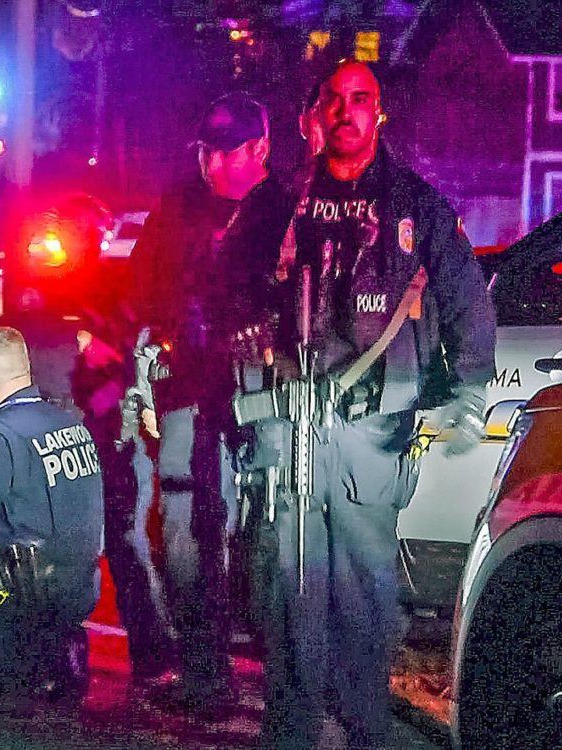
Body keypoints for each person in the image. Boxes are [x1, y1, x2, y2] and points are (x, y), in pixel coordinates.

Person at [256, 60, 496, 749]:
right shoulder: (281, 203)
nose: (346, 111)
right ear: (317, 112)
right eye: (333, 99)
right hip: (289, 427)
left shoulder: (415, 206)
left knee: (364, 590)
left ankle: (364, 725)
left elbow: (467, 304)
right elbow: (229, 292)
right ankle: (293, 727)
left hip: (373, 431)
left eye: (360, 99)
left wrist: (469, 390)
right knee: (290, 584)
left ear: (379, 113)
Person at [128, 93, 294, 716]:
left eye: (226, 151)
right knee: (183, 532)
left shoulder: (289, 211)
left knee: (269, 538)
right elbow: (141, 289)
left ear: (261, 149)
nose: (213, 163)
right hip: (186, 389)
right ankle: (203, 672)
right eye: (206, 151)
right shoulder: (176, 206)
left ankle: (285, 684)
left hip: (263, 398)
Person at [0, 327, 105, 703]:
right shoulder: (72, 424)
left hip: (26, 594)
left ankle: (16, 674)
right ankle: (57, 653)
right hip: (82, 587)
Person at [70, 311, 171, 687]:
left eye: (86, 340)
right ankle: (151, 654)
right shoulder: (107, 376)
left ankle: (154, 653)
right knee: (128, 563)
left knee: (132, 562)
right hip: (116, 478)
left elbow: (116, 427)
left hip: (123, 480)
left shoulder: (117, 381)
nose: (80, 348)